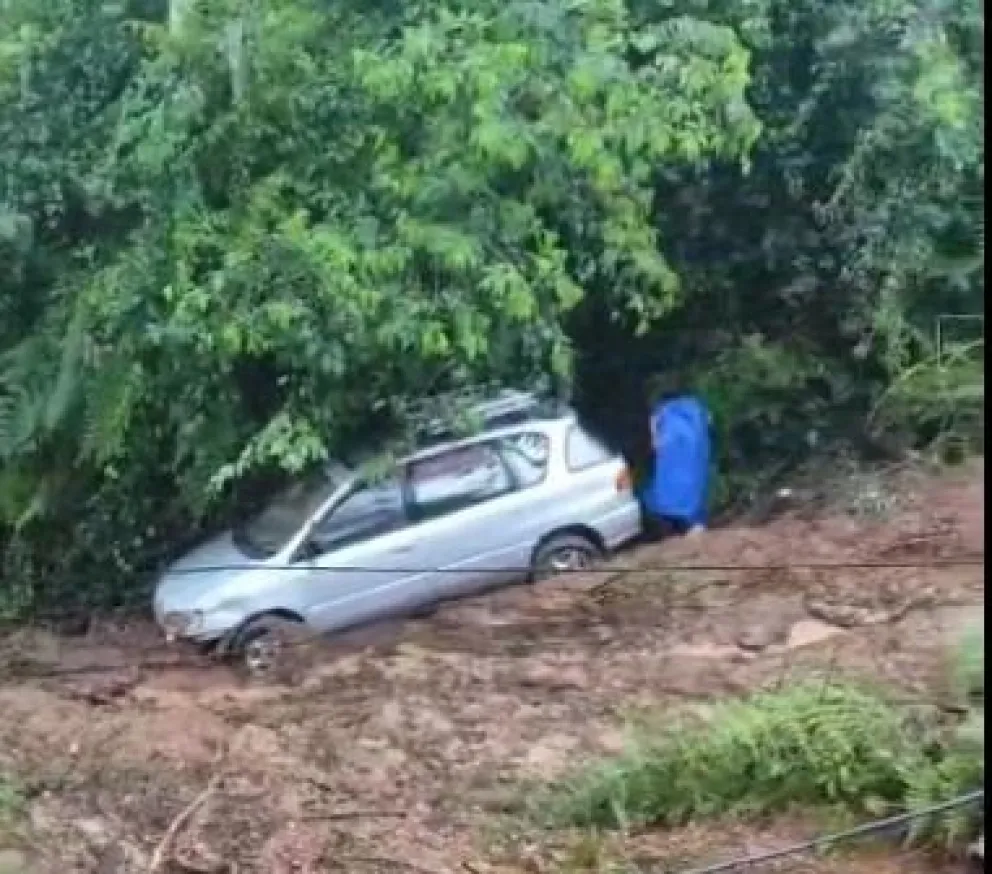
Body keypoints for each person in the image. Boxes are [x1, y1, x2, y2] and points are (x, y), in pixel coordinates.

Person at [640, 387, 711, 539]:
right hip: (690, 464)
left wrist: (654, 434)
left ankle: (686, 529)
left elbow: (656, 442)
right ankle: (693, 528)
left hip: (674, 470)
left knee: (669, 496)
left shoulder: (665, 415)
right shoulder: (694, 411)